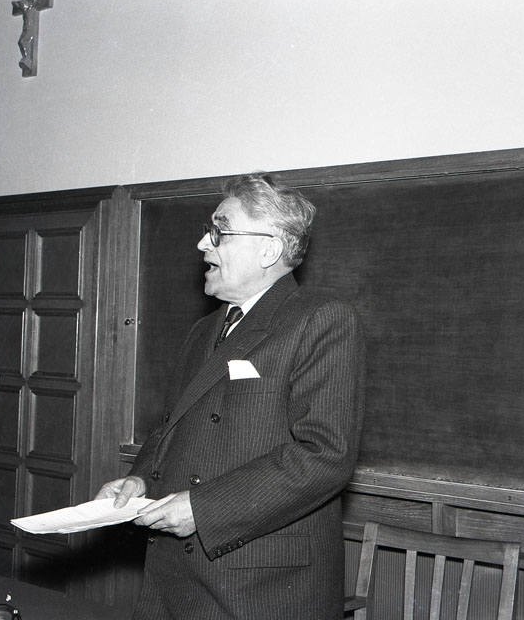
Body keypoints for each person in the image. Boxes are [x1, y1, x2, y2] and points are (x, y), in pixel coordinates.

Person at [95, 172, 366, 620]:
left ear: (269, 249)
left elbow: (325, 455)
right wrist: (141, 482)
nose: (203, 243)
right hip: (176, 576)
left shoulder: (321, 320)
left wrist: (203, 510)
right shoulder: (204, 330)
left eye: (220, 232)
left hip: (257, 587)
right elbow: (172, 429)